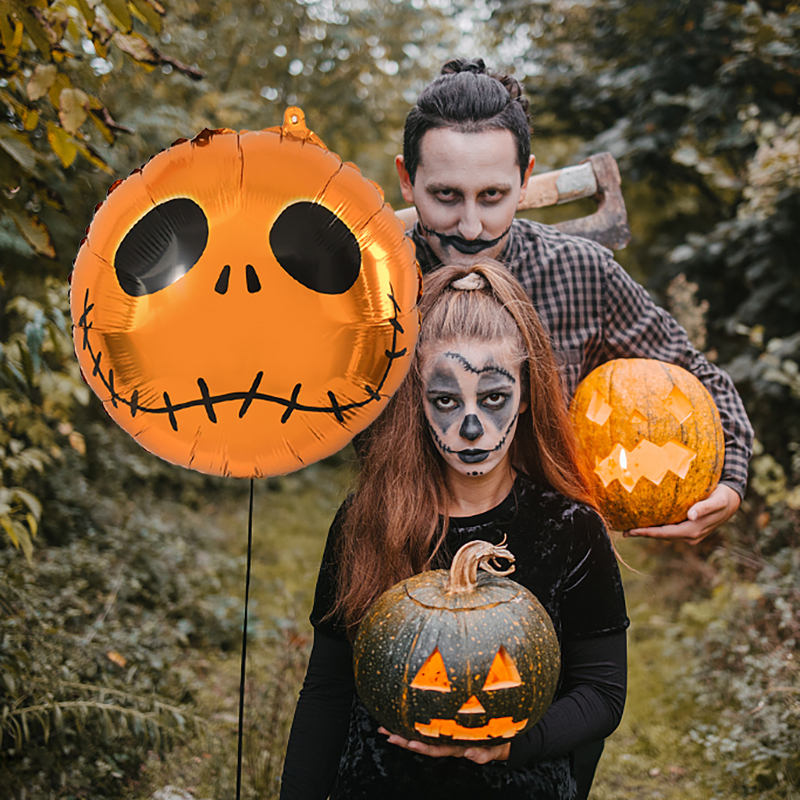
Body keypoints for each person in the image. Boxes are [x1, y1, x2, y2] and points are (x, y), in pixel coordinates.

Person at [280, 262, 629, 800]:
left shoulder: (570, 529)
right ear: (416, 402)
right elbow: (328, 689)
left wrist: (512, 745)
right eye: (446, 400)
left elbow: (602, 694)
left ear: (529, 393)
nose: (471, 427)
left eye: (493, 398)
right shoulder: (367, 519)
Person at [394, 57, 754, 548]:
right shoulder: (369, 286)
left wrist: (730, 482)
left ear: (526, 180)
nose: (471, 226)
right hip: (403, 544)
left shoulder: (582, 273)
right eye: (446, 196)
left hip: (557, 553)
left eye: (494, 195)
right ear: (406, 180)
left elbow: (695, 379)